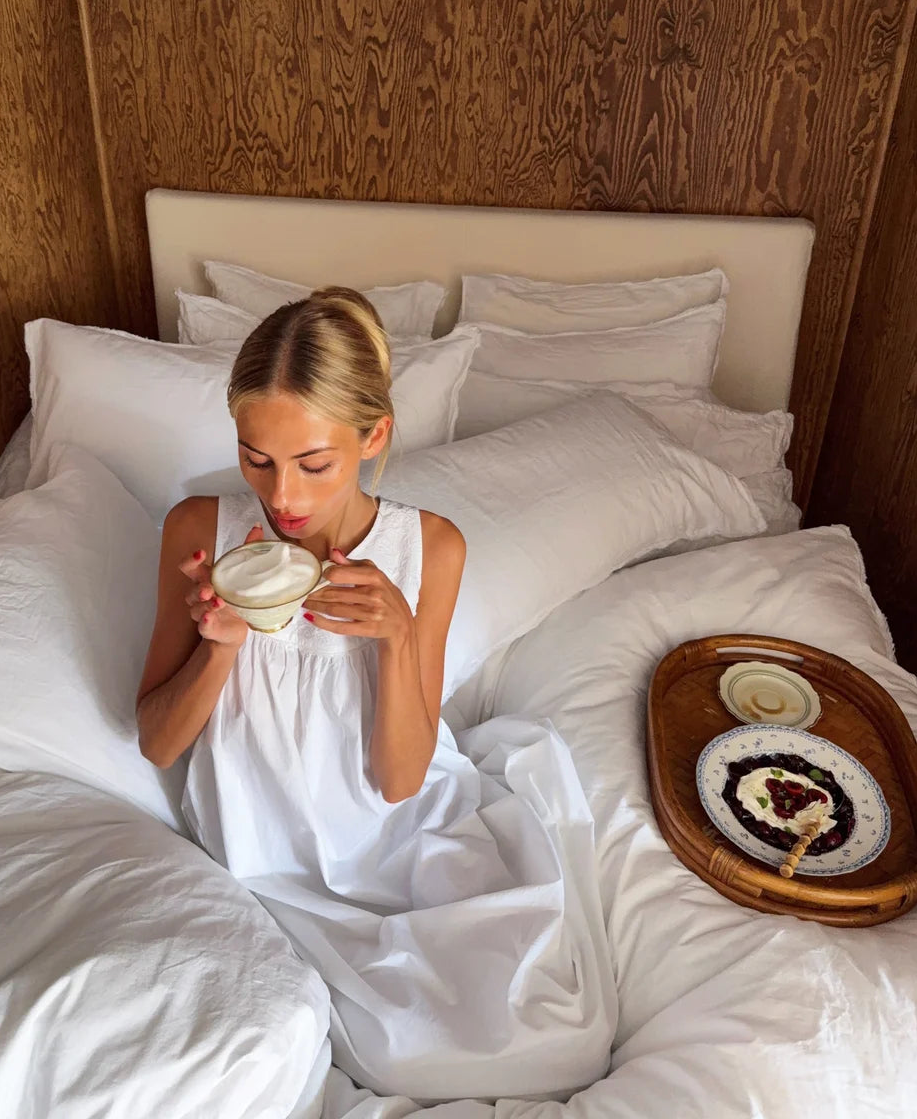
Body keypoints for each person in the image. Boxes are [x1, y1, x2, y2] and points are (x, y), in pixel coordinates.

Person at [136, 287, 616, 1102]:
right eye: (257, 458)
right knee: (395, 1053)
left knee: (553, 1035)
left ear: (374, 437)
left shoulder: (429, 548)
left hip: (399, 836)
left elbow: (400, 781)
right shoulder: (201, 532)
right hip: (265, 852)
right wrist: (221, 647)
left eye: (313, 463)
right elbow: (158, 742)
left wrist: (397, 636)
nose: (282, 498)